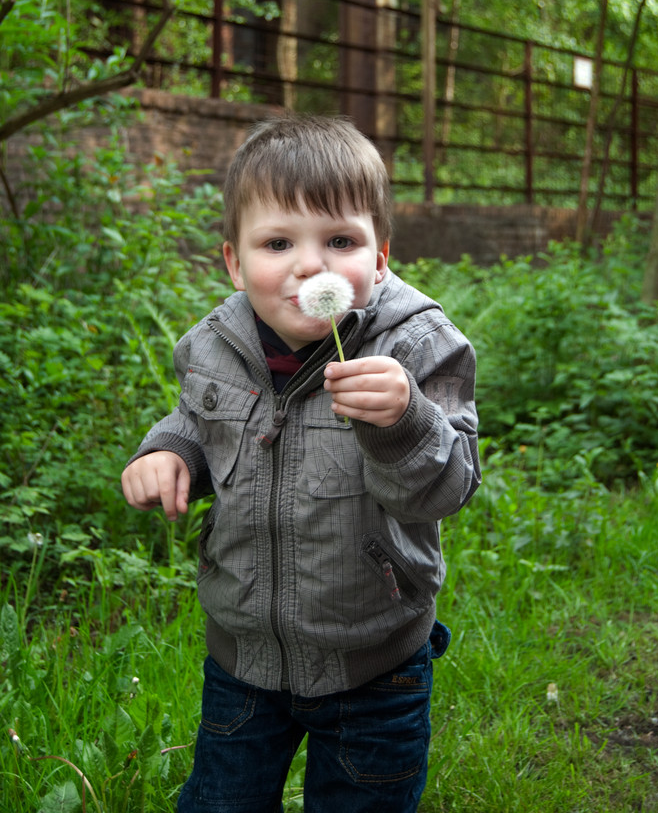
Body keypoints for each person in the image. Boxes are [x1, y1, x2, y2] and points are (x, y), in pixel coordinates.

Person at [121, 115, 481, 813]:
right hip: (243, 655)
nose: (309, 265)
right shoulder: (213, 345)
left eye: (339, 241)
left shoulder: (417, 349)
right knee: (219, 802)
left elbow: (447, 487)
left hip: (374, 664)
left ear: (379, 259)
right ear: (233, 261)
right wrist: (169, 451)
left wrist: (404, 420)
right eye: (277, 242)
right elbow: (198, 417)